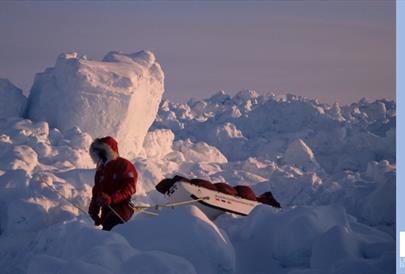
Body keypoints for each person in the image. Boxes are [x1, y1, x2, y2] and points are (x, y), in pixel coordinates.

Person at [88, 136, 137, 231]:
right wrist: (94, 211)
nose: (100, 155)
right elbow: (97, 190)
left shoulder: (124, 165)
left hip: (122, 211)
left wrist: (111, 198)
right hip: (107, 213)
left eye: (102, 151)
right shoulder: (100, 169)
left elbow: (129, 187)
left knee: (112, 235)